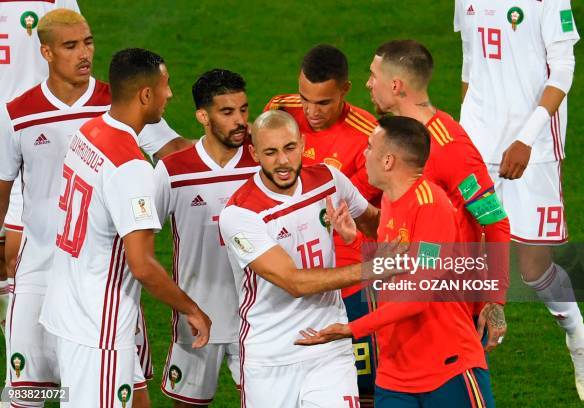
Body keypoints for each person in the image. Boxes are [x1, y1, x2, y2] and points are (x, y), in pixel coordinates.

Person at [0, 9, 188, 407]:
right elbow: (2, 193)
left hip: (102, 282)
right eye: (70, 46)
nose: (84, 53)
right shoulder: (17, 113)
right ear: (46, 52)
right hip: (39, 271)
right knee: (28, 392)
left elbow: (176, 151)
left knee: (126, 385)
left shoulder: (117, 103)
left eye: (88, 42)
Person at [39, 47, 211, 407]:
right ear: (145, 95)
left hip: (68, 304)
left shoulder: (89, 131)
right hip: (98, 324)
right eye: (165, 87)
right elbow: (143, 265)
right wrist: (191, 309)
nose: (170, 94)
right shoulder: (131, 167)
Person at [454, 0, 584, 401]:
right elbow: (471, 64)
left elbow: (563, 70)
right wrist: (462, 138)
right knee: (469, 255)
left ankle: (577, 336)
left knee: (534, 269)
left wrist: (525, 136)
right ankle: (463, 367)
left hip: (532, 150)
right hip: (478, 145)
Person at [296, 116, 494, 408]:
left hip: (446, 367)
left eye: (369, 147)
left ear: (388, 161)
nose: (364, 155)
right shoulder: (390, 200)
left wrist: (353, 328)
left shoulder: (431, 207)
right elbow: (397, 265)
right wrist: (357, 240)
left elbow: (418, 296)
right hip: (394, 373)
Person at [219, 110, 381, 408]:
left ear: (303, 143)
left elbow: (374, 223)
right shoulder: (240, 214)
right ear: (254, 153)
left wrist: (359, 236)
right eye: (271, 152)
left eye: (290, 148)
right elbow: (294, 282)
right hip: (270, 356)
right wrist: (374, 269)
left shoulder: (328, 180)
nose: (282, 161)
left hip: (329, 347)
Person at [366, 39, 510, 351]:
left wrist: (495, 300)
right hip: (403, 298)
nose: (368, 84)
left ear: (395, 85)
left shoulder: (449, 148)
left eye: (373, 76)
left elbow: (495, 223)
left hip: (448, 305)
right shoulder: (388, 138)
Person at [265, 44, 381, 407]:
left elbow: (354, 215)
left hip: (349, 281)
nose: (311, 112)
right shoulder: (281, 111)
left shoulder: (369, 137)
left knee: (364, 387)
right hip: (290, 273)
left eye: (323, 103)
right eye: (305, 100)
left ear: (345, 90)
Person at [154, 69, 259, 407]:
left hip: (257, 319)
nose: (240, 120)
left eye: (243, 110)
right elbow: (139, 240)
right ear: (203, 116)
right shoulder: (173, 171)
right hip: (197, 318)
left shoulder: (262, 165)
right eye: (227, 112)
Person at [0, 0, 80, 340]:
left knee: (16, 254)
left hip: (32, 138)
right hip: (24, 135)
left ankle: (23, 353)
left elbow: (74, 45)